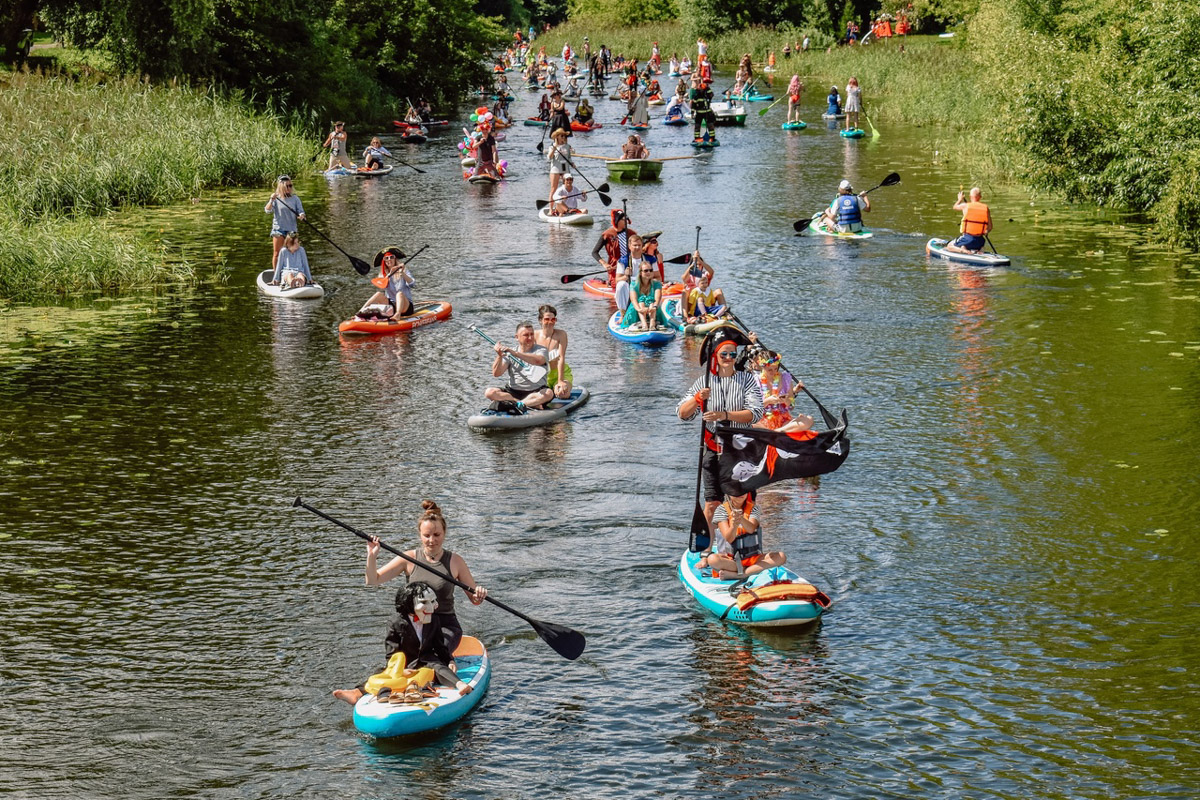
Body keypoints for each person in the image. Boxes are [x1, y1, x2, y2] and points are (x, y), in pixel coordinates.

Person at [332, 580, 477, 706]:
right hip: (405, 663)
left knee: (439, 667)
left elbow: (439, 646)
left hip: (427, 659)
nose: (434, 606)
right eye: (426, 603)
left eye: (433, 602)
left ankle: (460, 684)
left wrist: (449, 660)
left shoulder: (434, 619)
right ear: (409, 604)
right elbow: (392, 653)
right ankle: (356, 692)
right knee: (381, 673)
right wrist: (400, 669)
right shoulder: (395, 623)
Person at [676, 329, 765, 534]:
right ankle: (707, 551)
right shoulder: (703, 383)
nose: (728, 358)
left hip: (742, 452)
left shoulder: (747, 380)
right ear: (715, 355)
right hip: (713, 450)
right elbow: (682, 414)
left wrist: (724, 415)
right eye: (723, 354)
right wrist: (697, 399)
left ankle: (744, 546)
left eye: (733, 354)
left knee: (743, 504)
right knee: (711, 505)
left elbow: (756, 413)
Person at [698, 492, 787, 580]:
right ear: (729, 493)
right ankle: (751, 570)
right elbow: (729, 538)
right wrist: (734, 525)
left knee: (781, 556)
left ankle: (742, 574)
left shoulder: (754, 508)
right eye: (735, 491)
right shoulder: (721, 510)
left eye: (742, 490)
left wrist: (740, 518)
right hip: (731, 561)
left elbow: (751, 528)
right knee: (712, 559)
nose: (740, 493)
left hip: (754, 559)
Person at [485, 321, 553, 413]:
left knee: (548, 393)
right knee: (489, 392)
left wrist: (516, 354)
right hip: (513, 392)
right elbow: (497, 373)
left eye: (532, 334)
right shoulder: (510, 352)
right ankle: (523, 404)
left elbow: (539, 360)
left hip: (535, 392)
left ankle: (515, 404)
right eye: (526, 335)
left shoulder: (541, 350)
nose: (530, 338)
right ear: (517, 337)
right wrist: (499, 356)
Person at [755, 351, 814, 433]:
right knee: (747, 423)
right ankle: (775, 432)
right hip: (762, 421)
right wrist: (768, 401)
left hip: (783, 421)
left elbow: (792, 406)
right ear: (763, 367)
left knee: (809, 420)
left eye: (776, 368)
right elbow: (752, 409)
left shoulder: (785, 378)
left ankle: (776, 432)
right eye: (770, 370)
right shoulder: (755, 381)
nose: (773, 372)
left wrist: (786, 401)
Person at [592, 209, 637, 310]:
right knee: (620, 286)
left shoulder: (632, 234)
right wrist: (604, 264)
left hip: (631, 264)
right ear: (617, 221)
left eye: (627, 219)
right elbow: (594, 252)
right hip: (615, 268)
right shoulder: (607, 234)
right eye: (624, 220)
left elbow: (640, 249)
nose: (626, 222)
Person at [355, 247, 416, 320]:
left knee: (399, 294)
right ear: (384, 261)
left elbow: (412, 284)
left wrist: (402, 273)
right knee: (378, 294)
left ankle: (397, 315)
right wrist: (389, 274)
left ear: (395, 259)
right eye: (386, 258)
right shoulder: (383, 274)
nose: (389, 259)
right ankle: (360, 313)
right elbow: (382, 286)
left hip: (405, 306)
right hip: (391, 306)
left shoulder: (404, 270)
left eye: (391, 257)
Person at [264, 175, 305, 271]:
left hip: (291, 230)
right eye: (287, 186)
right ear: (281, 186)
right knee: (277, 253)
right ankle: (276, 277)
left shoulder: (295, 199)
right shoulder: (276, 198)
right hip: (279, 229)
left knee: (293, 252)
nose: (290, 188)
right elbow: (267, 210)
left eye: (291, 185)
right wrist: (271, 200)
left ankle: (292, 272)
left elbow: (301, 211)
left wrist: (302, 215)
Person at [621, 255, 669, 331]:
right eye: (646, 270)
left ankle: (652, 323)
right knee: (641, 301)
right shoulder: (634, 284)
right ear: (640, 272)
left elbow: (657, 298)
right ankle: (644, 325)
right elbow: (634, 300)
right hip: (637, 309)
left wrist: (654, 307)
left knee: (651, 301)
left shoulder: (656, 283)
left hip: (652, 308)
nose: (649, 272)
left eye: (651, 270)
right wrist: (639, 309)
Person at [535, 304, 572, 399]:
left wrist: (560, 381)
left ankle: (559, 386)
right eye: (547, 319)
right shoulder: (534, 335)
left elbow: (561, 358)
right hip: (541, 376)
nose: (550, 322)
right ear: (540, 320)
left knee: (562, 394)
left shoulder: (561, 334)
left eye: (553, 319)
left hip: (559, 373)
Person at [615, 233, 656, 310]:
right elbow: (617, 280)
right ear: (629, 246)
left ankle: (651, 309)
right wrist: (626, 276)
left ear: (642, 246)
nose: (637, 247)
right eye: (635, 245)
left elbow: (658, 277)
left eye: (639, 245)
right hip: (630, 285)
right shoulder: (623, 261)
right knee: (621, 285)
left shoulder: (650, 259)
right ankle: (623, 312)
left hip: (646, 284)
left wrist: (648, 276)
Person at [946, 187, 993, 253]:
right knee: (977, 244)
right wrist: (986, 232)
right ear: (980, 197)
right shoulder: (986, 208)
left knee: (949, 246)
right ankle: (980, 250)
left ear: (970, 197)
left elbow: (955, 207)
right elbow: (990, 227)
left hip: (967, 238)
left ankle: (963, 250)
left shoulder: (965, 206)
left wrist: (960, 199)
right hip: (980, 241)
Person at [546, 128, 573, 206]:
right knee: (553, 189)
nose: (564, 138)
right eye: (562, 136)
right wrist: (554, 149)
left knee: (566, 189)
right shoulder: (552, 146)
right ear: (557, 137)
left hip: (565, 169)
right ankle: (551, 209)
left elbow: (569, 157)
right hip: (556, 169)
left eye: (565, 136)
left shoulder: (567, 146)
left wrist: (572, 163)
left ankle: (564, 208)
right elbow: (549, 158)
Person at [690, 73, 717, 144]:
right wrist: (692, 113)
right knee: (697, 126)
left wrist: (707, 88)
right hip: (699, 113)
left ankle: (712, 138)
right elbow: (693, 105)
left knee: (710, 126)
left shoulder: (707, 94)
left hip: (707, 112)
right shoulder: (696, 96)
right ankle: (697, 138)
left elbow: (711, 94)